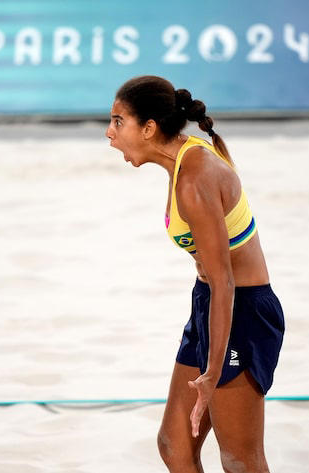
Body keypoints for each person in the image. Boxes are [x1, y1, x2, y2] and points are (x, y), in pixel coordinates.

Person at [106, 76, 284, 473]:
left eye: (118, 122)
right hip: (210, 304)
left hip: (241, 311)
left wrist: (214, 371)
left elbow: (226, 281)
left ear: (149, 128)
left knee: (240, 460)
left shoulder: (194, 179)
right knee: (174, 446)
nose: (110, 133)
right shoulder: (184, 157)